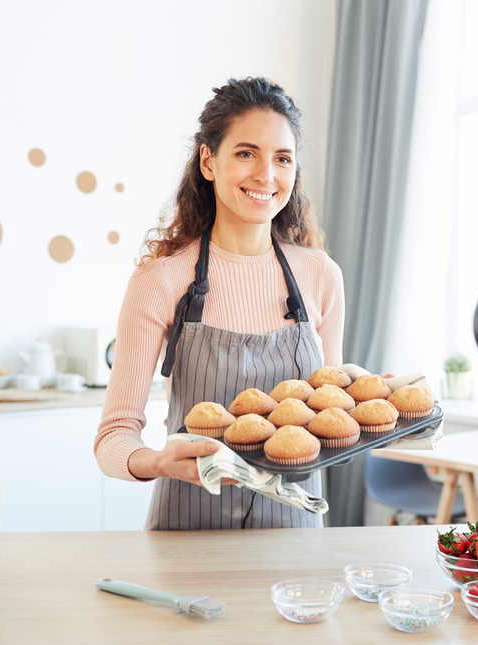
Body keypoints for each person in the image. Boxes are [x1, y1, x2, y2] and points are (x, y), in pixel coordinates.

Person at [94, 77, 345, 530]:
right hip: (190, 532)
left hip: (296, 537)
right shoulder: (161, 279)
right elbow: (113, 437)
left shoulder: (321, 275)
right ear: (209, 162)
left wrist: (372, 399)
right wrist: (158, 461)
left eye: (282, 159)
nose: (266, 175)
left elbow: (331, 409)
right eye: (246, 153)